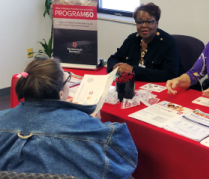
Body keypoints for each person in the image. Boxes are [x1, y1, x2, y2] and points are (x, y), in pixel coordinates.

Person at [0, 58, 138, 179]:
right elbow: (126, 161)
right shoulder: (93, 130)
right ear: (61, 93)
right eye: (67, 79)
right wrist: (92, 122)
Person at [107, 2, 184, 82]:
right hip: (137, 87)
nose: (144, 25)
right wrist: (116, 67)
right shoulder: (132, 39)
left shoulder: (168, 43)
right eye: (139, 22)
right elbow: (114, 58)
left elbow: (170, 75)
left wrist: (133, 70)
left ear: (156, 23)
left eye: (149, 22)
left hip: (168, 89)